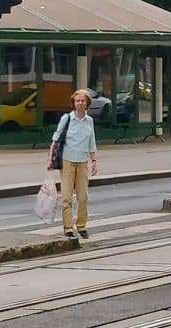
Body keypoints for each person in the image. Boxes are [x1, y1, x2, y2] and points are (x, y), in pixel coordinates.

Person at [48, 89, 98, 239]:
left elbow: (92, 143)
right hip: (67, 161)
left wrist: (94, 161)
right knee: (66, 197)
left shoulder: (89, 121)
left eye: (83, 101)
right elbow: (55, 139)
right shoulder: (67, 119)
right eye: (77, 101)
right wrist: (50, 159)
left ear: (87, 103)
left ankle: (82, 226)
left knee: (83, 197)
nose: (80, 103)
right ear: (74, 103)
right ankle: (68, 228)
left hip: (82, 162)